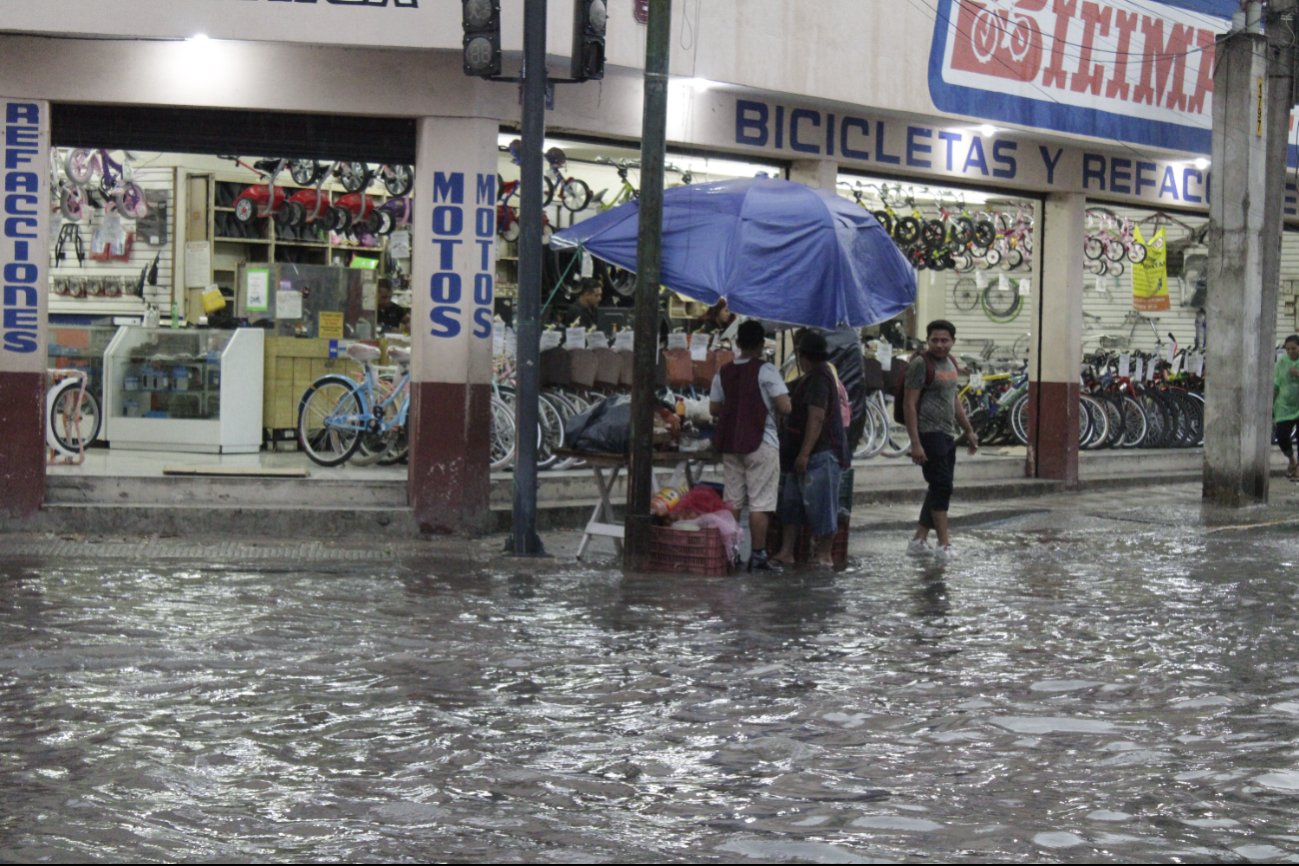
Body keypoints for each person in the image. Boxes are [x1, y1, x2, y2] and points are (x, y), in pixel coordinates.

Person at [710, 320, 791, 572]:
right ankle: (757, 555)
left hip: (731, 443)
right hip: (761, 443)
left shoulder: (723, 371)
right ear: (760, 344)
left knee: (732, 500)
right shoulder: (766, 370)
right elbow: (785, 406)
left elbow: (714, 408)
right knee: (760, 502)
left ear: (737, 343)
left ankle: (730, 554)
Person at [771, 330, 849, 568]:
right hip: (800, 455)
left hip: (820, 455)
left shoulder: (820, 378)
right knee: (792, 506)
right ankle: (786, 551)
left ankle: (824, 555)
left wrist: (805, 453)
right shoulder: (812, 376)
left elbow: (816, 417)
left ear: (805, 357)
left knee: (823, 508)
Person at [904, 319, 978, 561]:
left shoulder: (951, 363)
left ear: (953, 342)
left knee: (938, 486)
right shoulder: (919, 364)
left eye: (944, 340)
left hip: (947, 434)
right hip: (928, 433)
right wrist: (915, 442)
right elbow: (910, 404)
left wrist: (968, 430)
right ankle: (944, 544)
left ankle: (918, 539)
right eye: (934, 340)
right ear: (928, 341)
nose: (939, 344)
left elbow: (953, 399)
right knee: (943, 486)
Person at [1274, 334, 1299, 480]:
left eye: (1294, 348)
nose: (1290, 352)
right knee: (1282, 435)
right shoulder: (1282, 361)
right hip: (1284, 406)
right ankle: (1291, 460)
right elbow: (1276, 382)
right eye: (1287, 349)